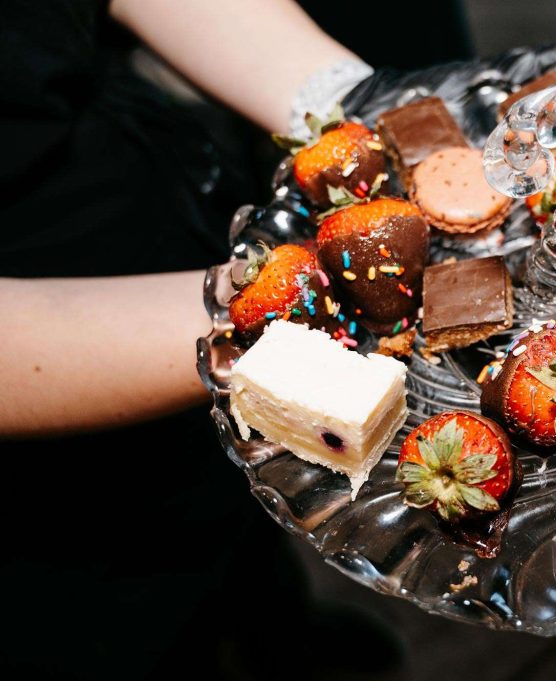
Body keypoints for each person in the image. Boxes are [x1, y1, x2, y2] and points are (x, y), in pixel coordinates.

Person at [0, 0, 470, 677]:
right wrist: (256, 310)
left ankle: (277, 635)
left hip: (153, 191)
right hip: (58, 402)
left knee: (246, 508)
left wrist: (351, 103)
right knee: (139, 609)